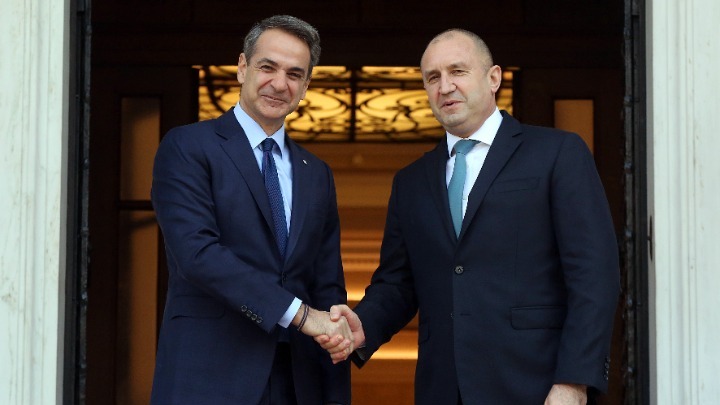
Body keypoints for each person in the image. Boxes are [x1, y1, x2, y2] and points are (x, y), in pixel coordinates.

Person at [318, 28, 620, 405]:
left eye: (457, 71)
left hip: (538, 386)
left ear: (493, 78)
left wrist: (574, 381)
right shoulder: (411, 181)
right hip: (444, 389)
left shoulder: (557, 153)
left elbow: (594, 275)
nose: (445, 86)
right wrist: (363, 325)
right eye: (433, 77)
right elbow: (398, 283)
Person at [150, 15, 353, 405]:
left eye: (294, 74)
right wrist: (301, 315)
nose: (279, 83)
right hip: (209, 377)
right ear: (242, 67)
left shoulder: (317, 173)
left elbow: (326, 281)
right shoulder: (188, 147)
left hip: (298, 380)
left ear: (306, 86)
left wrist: (336, 330)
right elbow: (197, 254)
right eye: (267, 67)